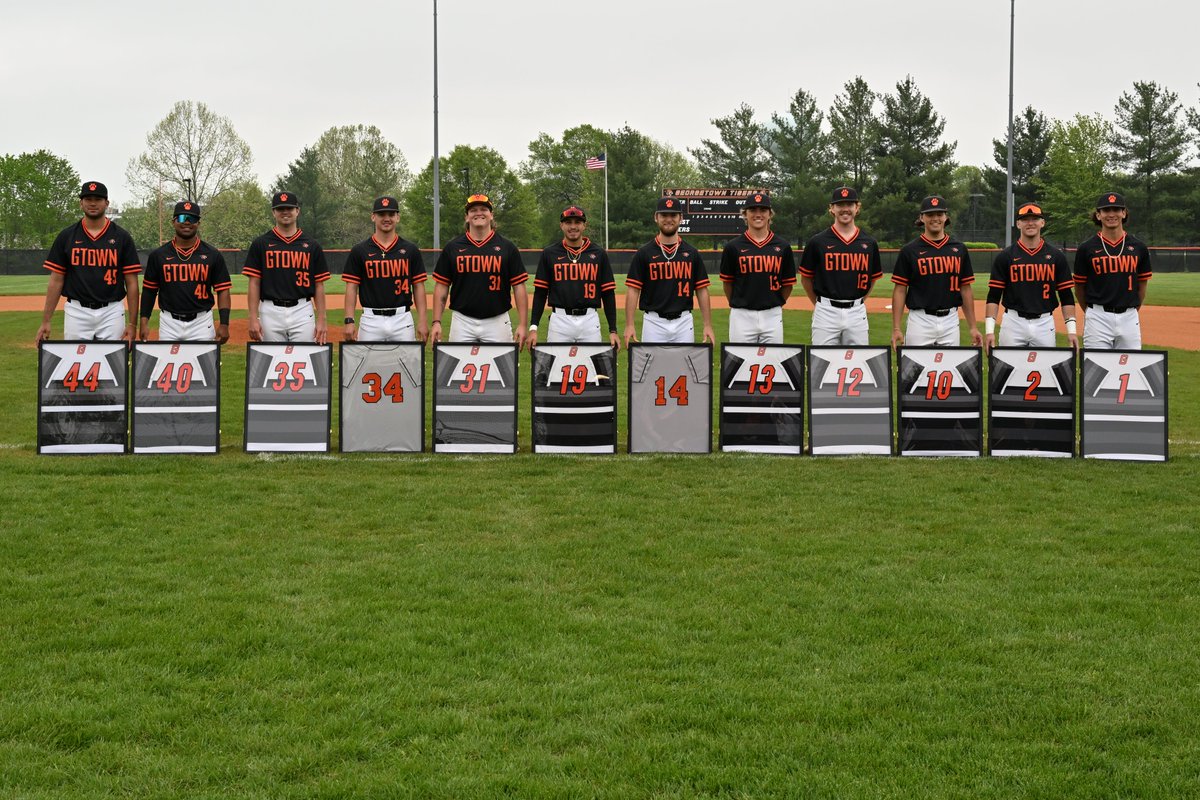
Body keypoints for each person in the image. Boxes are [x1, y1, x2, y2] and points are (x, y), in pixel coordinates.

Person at [36, 181, 140, 344]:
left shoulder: (121, 237)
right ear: (81, 203)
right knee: (76, 365)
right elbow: (56, 280)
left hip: (111, 311)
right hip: (77, 311)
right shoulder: (67, 236)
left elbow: (132, 283)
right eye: (88, 198)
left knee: (113, 365)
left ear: (107, 203)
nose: (92, 203)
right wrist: (46, 320)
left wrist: (133, 323)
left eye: (98, 199)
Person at [430, 193, 528, 345]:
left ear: (491, 215)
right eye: (473, 210)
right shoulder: (453, 248)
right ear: (467, 217)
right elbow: (441, 287)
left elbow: (519, 287)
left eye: (483, 209)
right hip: (462, 321)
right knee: (458, 368)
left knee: (502, 368)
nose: (478, 213)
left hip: (497, 319)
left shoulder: (507, 247)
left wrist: (522, 324)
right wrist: (436, 321)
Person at [890, 195, 982, 347]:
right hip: (920, 320)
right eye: (930, 214)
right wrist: (896, 328)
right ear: (922, 218)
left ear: (946, 217)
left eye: (940, 214)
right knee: (916, 369)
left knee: (949, 369)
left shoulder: (959, 249)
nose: (935, 218)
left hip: (951, 319)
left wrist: (972, 327)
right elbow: (900, 290)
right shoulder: (909, 250)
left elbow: (965, 289)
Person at [984, 202, 1077, 350]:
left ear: (1042, 222)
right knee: (1008, 370)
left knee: (1044, 370)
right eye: (1025, 219)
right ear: (1018, 224)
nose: (1030, 223)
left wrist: (1072, 332)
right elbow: (994, 296)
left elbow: (1066, 296)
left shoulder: (1056, 256)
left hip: (1044, 322)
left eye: (1034, 219)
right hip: (1013, 321)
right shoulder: (1005, 256)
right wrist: (989, 331)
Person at [624, 196, 715, 346]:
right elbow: (633, 290)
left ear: (681, 218)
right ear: (656, 217)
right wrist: (629, 325)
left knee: (683, 369)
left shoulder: (692, 253)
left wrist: (707, 325)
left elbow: (702, 290)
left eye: (673, 215)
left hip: (684, 321)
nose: (668, 219)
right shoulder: (644, 253)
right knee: (652, 369)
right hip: (653, 321)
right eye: (664, 215)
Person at [138, 201, 232, 343]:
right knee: (167, 363)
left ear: (198, 223)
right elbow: (149, 290)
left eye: (192, 219)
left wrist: (224, 323)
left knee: (204, 365)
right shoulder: (159, 255)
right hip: (169, 322)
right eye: (182, 218)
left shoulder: (212, 254)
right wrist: (144, 321)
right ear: (173, 222)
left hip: (201, 322)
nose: (187, 222)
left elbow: (223, 290)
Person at [242, 191, 330, 343]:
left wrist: (322, 318)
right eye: (280, 209)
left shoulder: (311, 245)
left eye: (289, 208)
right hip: (270, 310)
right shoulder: (261, 244)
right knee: (271, 360)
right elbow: (254, 283)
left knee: (304, 358)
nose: (285, 212)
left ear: (297, 211)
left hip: (302, 310)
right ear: (273, 212)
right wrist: (252, 318)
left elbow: (319, 285)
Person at [799, 186, 883, 346]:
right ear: (832, 208)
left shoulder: (869, 242)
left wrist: (858, 301)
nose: (845, 209)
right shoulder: (817, 241)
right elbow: (806, 279)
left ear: (857, 207)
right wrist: (819, 305)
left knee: (857, 362)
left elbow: (872, 279)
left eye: (849, 204)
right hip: (825, 310)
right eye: (840, 205)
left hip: (857, 311)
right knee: (821, 364)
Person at [528, 205, 619, 348]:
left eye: (577, 222)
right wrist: (533, 327)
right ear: (561, 226)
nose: (573, 226)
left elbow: (607, 293)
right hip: (559, 320)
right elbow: (540, 293)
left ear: (584, 225)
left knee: (592, 367)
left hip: (590, 320)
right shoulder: (550, 253)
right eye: (568, 222)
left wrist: (613, 330)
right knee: (557, 367)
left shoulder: (598, 253)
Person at [342, 196, 428, 343]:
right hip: (370, 320)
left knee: (406, 365)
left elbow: (418, 286)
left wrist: (423, 320)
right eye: (381, 214)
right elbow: (351, 287)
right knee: (368, 365)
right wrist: (349, 320)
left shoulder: (410, 249)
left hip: (402, 318)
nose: (386, 218)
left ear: (398, 217)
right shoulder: (360, 250)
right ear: (373, 217)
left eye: (391, 214)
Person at [1073, 192, 1152, 349]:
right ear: (1098, 215)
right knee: (1095, 369)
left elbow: (1142, 286)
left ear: (1123, 213)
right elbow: (1079, 288)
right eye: (1106, 210)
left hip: (1129, 316)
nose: (1111, 214)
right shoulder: (1086, 248)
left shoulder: (1139, 247)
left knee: (1130, 367)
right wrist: (1092, 313)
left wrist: (1131, 310)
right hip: (1098, 316)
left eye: (1116, 210)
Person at [718, 191, 796, 343]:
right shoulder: (733, 247)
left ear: (770, 214)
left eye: (763, 210)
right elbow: (728, 283)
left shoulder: (783, 246)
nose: (758, 214)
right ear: (745, 214)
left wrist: (774, 304)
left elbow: (787, 285)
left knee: (772, 361)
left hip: (772, 314)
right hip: (742, 314)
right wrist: (740, 304)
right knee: (740, 363)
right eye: (753, 210)